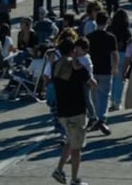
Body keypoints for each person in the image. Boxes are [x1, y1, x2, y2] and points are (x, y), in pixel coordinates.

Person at [51, 41, 95, 185]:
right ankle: (75, 180)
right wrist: (79, 64)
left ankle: (59, 170)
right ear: (73, 51)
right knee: (77, 148)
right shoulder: (77, 68)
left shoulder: (55, 66)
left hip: (62, 111)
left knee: (70, 142)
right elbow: (92, 83)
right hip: (76, 111)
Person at [86, 11, 118, 134]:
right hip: (106, 70)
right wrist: (114, 66)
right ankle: (102, 118)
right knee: (105, 95)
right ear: (107, 22)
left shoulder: (89, 37)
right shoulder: (111, 37)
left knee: (93, 95)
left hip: (93, 70)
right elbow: (114, 54)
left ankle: (94, 117)